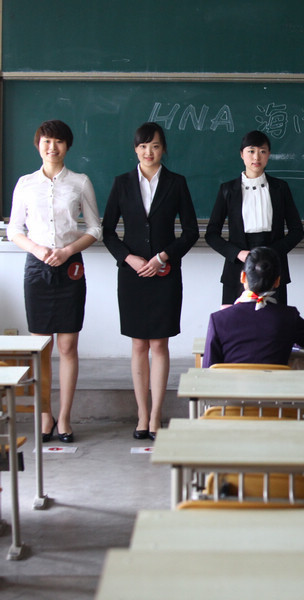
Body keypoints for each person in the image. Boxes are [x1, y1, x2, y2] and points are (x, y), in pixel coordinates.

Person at [102, 122, 198, 440]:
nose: (149, 151)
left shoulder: (176, 183)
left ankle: (156, 415)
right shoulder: (121, 183)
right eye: (143, 146)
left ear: (163, 149)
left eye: (155, 146)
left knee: (159, 343)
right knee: (138, 344)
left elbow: (190, 232)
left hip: (164, 273)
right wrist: (129, 258)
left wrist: (161, 258)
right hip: (131, 275)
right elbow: (107, 233)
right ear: (135, 149)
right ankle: (141, 415)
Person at [8, 119, 101, 444]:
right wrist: (37, 248)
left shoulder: (79, 182)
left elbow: (94, 228)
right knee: (42, 346)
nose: (53, 147)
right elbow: (14, 229)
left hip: (70, 266)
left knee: (68, 345)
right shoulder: (25, 183)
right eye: (47, 141)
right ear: (38, 145)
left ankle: (64, 419)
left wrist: (67, 251)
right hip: (37, 266)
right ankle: (45, 416)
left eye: (59, 142)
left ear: (68, 146)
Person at [205, 130, 303, 307]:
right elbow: (211, 234)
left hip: (273, 267)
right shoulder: (228, 190)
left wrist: (273, 253)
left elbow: (297, 231)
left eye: (262, 151)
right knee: (234, 328)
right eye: (251, 151)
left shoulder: (280, 188)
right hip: (238, 267)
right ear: (242, 154)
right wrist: (238, 254)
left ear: (269, 155)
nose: (256, 157)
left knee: (274, 327)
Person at [202, 247, 304, 366]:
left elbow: (208, 368)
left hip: (232, 392)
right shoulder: (288, 317)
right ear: (277, 281)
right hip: (274, 392)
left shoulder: (218, 319)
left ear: (243, 277)